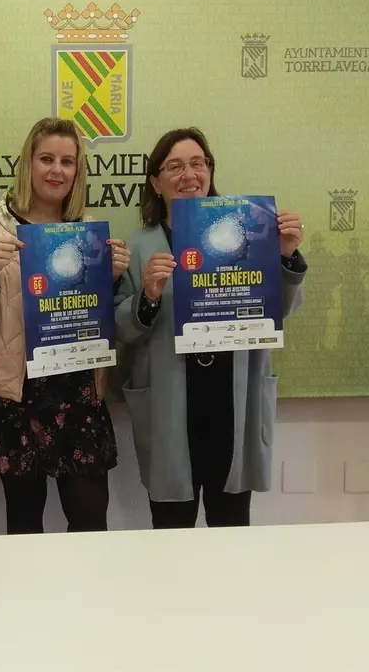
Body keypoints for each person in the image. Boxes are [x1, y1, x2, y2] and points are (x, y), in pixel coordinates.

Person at [114, 127, 307, 529]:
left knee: (232, 532)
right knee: (172, 535)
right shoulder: (139, 247)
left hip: (231, 403)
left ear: (209, 171)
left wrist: (285, 256)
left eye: (198, 163)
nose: (189, 175)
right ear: (156, 182)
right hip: (171, 408)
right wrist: (147, 296)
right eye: (175, 167)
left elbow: (279, 311)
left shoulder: (249, 233)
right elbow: (121, 331)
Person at [0, 117, 130, 535]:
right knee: (24, 522)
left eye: (67, 161)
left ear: (78, 170)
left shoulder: (90, 231)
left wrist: (111, 277)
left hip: (76, 395)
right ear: (28, 162)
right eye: (47, 158)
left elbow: (100, 317)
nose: (56, 170)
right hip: (15, 397)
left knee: (90, 520)